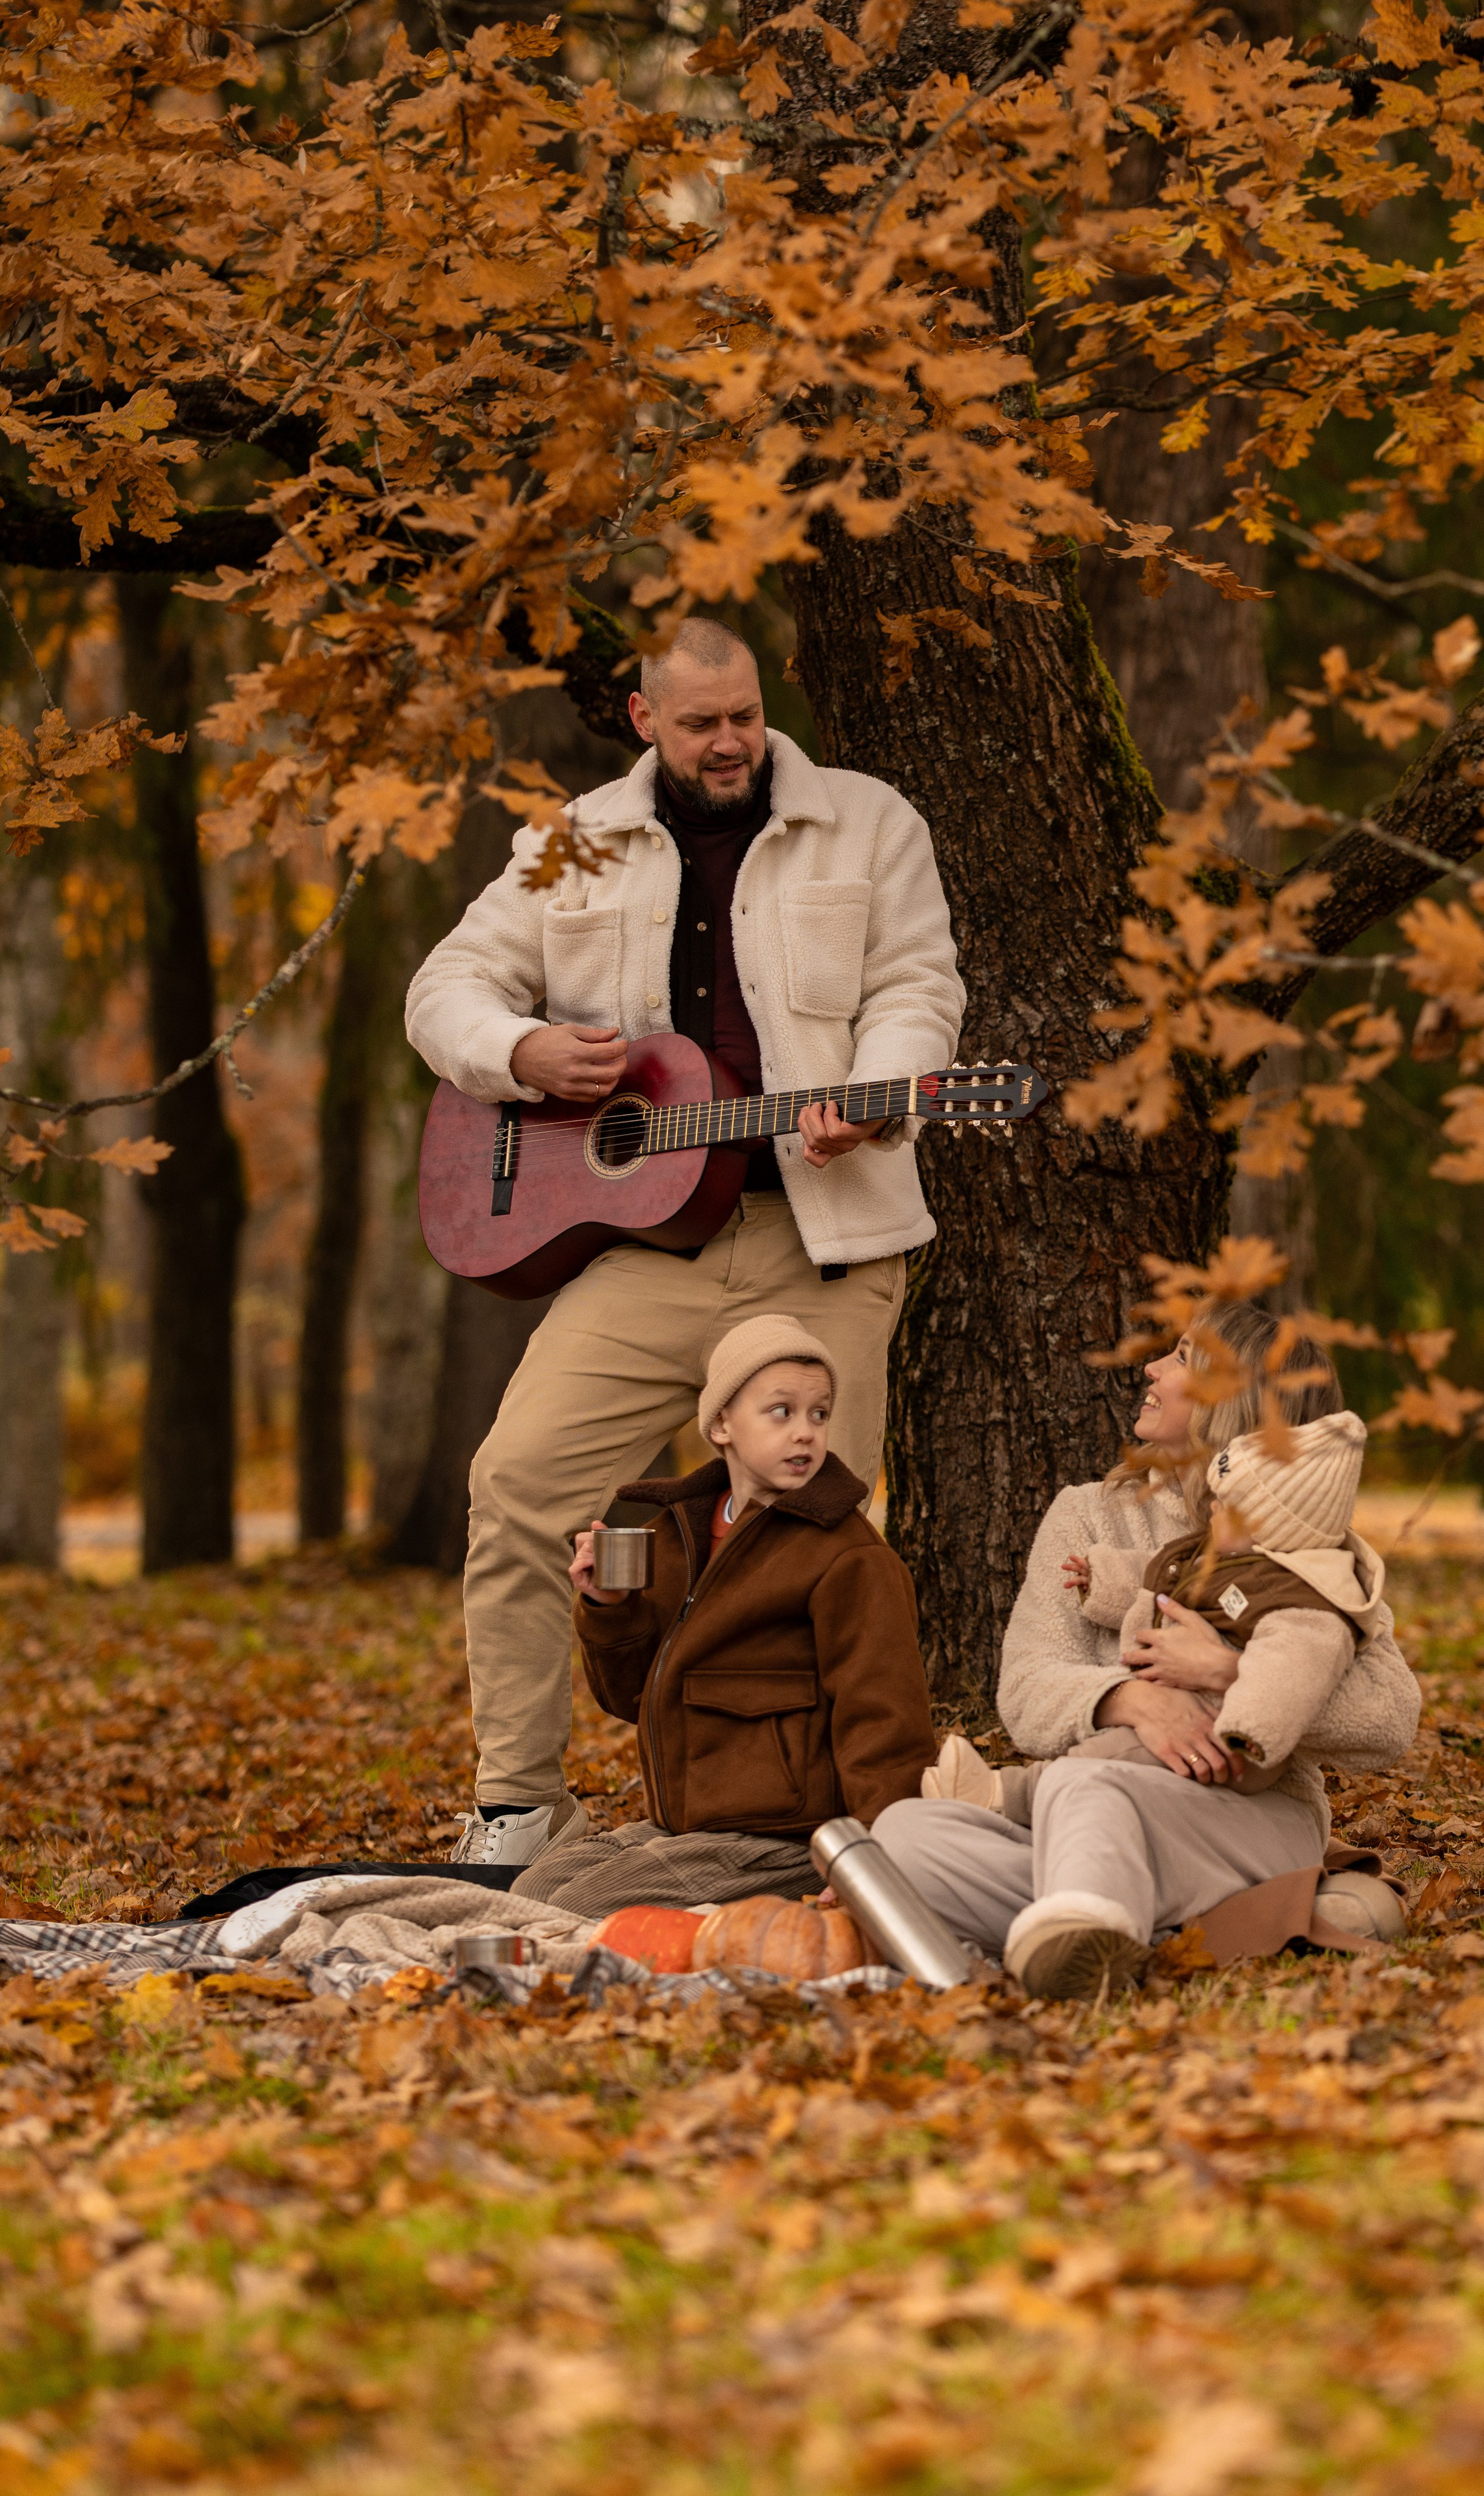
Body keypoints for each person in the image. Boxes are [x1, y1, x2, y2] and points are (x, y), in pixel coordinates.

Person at [406, 619, 964, 1867]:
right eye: (702, 721)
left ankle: (831, 1819)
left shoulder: (870, 823)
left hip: (818, 1241)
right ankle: (517, 1804)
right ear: (644, 718)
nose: (731, 742)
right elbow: (442, 989)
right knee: (515, 1488)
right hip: (642, 1255)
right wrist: (523, 1052)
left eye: (746, 714)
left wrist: (875, 1091)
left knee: (822, 1532)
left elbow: (922, 990)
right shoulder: (574, 844)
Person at [874, 1301, 1422, 2000]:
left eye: (1183, 1358)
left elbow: (1388, 1718)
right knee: (901, 1833)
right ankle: (1210, 1924)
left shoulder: (1301, 1544)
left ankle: (1098, 1931)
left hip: (1245, 1817)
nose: (1153, 1367)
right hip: (1089, 1816)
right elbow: (1026, 1687)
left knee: (1082, 1784)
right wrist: (1130, 1700)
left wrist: (1228, 1672)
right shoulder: (1086, 1514)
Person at [501, 1316, 934, 1919]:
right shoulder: (679, 1533)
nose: (806, 1433)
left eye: (819, 1413)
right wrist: (608, 1608)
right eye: (780, 1411)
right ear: (722, 1424)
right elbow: (632, 1697)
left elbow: (886, 1719)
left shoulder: (846, 1555)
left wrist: (872, 1854)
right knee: (536, 1890)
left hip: (790, 1836)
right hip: (687, 1825)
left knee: (576, 1909)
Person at [928, 1406, 1387, 1810]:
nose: (1214, 1510)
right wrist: (1102, 1578)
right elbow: (1165, 1574)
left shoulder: (1300, 1595)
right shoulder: (1220, 1555)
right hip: (1189, 1732)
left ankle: (1002, 1794)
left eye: (1228, 1506)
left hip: (1226, 1743)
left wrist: (1237, 1701)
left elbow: (1298, 1664)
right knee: (1120, 1753)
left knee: (1112, 1759)